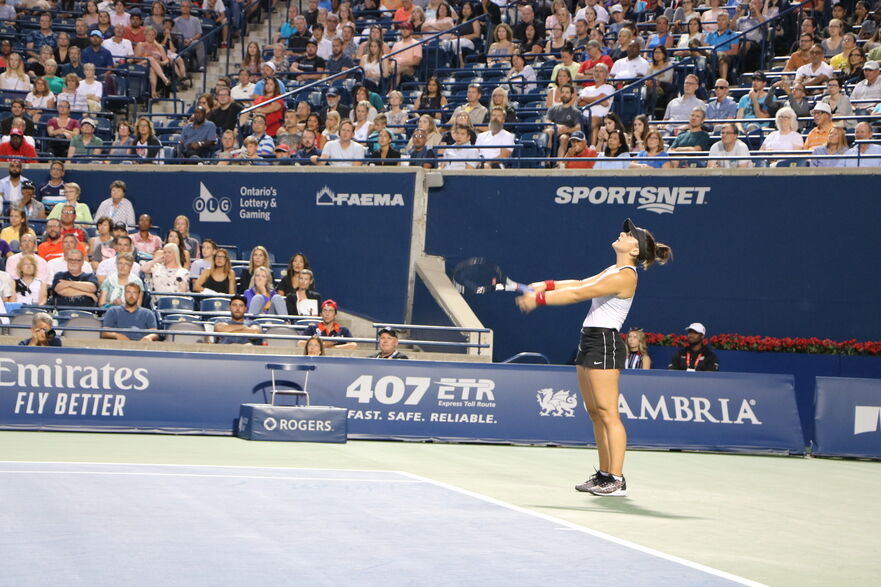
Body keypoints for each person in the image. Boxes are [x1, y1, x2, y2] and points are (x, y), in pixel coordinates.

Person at [516, 219, 672, 496]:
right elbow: (578, 282)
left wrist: (538, 300)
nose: (623, 233)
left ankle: (617, 478)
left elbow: (578, 293)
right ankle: (603, 475)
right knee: (595, 412)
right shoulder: (613, 269)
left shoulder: (625, 275)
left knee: (609, 413)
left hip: (605, 343)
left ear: (635, 251)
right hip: (589, 340)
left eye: (630, 234)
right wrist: (545, 285)